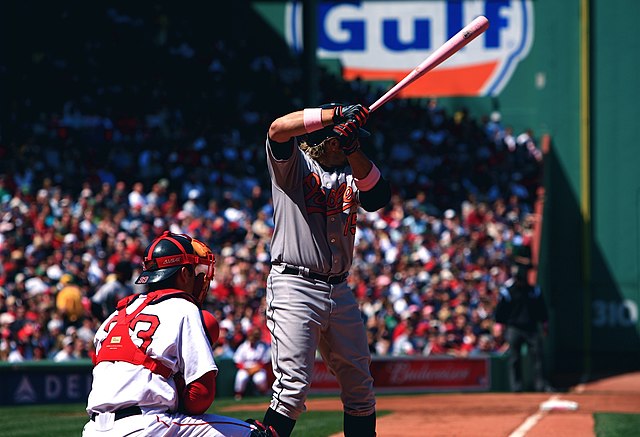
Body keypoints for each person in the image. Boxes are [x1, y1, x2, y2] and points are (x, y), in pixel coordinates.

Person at [262, 103, 391, 437]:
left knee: (361, 389)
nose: (356, 144)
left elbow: (378, 196)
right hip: (295, 284)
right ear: (331, 141)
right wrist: (335, 114)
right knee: (291, 389)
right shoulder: (294, 165)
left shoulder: (352, 170)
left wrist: (352, 149)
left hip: (339, 289)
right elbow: (277, 128)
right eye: (350, 140)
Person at [83, 231, 277, 437]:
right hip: (147, 426)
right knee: (259, 434)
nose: (200, 278)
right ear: (184, 274)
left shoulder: (116, 313)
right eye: (195, 271)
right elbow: (200, 396)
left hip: (93, 429)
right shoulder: (183, 307)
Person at [495, 245, 550, 392]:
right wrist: (499, 325)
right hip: (514, 328)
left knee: (538, 356)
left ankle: (541, 385)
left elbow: (542, 310)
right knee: (514, 358)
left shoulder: (534, 290)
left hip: (531, 327)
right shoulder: (508, 291)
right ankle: (516, 387)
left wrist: (544, 324)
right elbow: (501, 311)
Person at [233, 326, 271, 400]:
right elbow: (237, 361)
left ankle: (263, 393)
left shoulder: (262, 346)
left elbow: (265, 361)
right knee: (241, 377)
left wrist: (255, 369)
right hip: (245, 368)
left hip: (258, 368)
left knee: (259, 378)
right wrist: (245, 369)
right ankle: (238, 394)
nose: (253, 338)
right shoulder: (243, 346)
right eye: (252, 336)